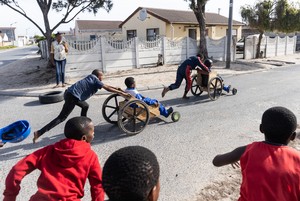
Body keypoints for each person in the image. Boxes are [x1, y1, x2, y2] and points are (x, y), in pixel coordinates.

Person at [3, 117, 105, 201]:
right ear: (84, 138)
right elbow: (97, 186)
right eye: (92, 132)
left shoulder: (48, 151)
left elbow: (17, 170)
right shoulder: (90, 156)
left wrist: (9, 197)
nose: (93, 135)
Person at [212, 106, 300, 201]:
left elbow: (216, 161)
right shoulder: (297, 158)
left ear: (261, 129)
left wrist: (233, 158)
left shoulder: (247, 150)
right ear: (293, 136)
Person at [33, 69, 129, 143]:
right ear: (98, 76)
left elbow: (105, 85)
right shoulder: (95, 79)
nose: (102, 78)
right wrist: (121, 93)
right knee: (61, 118)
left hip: (71, 94)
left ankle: (84, 126)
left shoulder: (91, 77)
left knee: (85, 106)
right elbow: (106, 87)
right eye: (101, 77)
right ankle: (39, 133)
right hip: (72, 97)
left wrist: (117, 89)